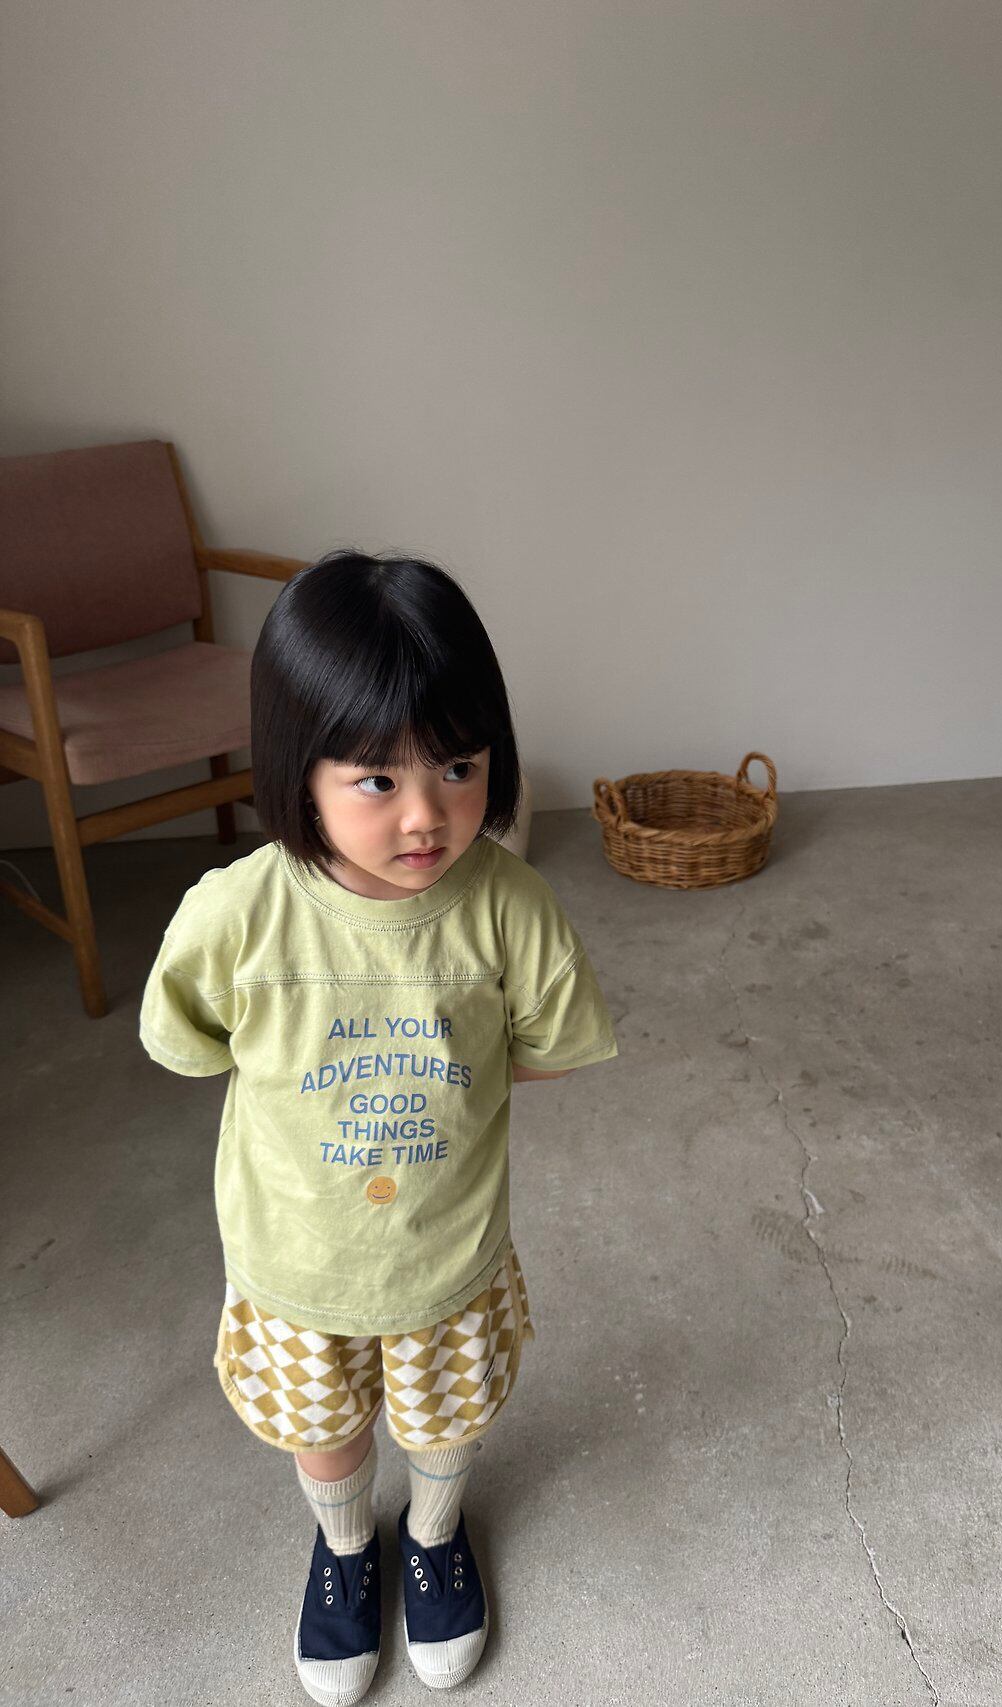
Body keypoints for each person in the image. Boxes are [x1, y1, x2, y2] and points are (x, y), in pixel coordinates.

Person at [139, 551, 619, 1704]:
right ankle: (347, 1546)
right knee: (327, 1425)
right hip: (296, 1261)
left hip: (446, 1253)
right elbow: (190, 1040)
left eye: (458, 767)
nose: (426, 816)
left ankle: (434, 1534)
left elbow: (547, 1048)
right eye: (375, 780)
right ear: (297, 772)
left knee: (446, 1420)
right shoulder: (235, 915)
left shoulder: (511, 908)